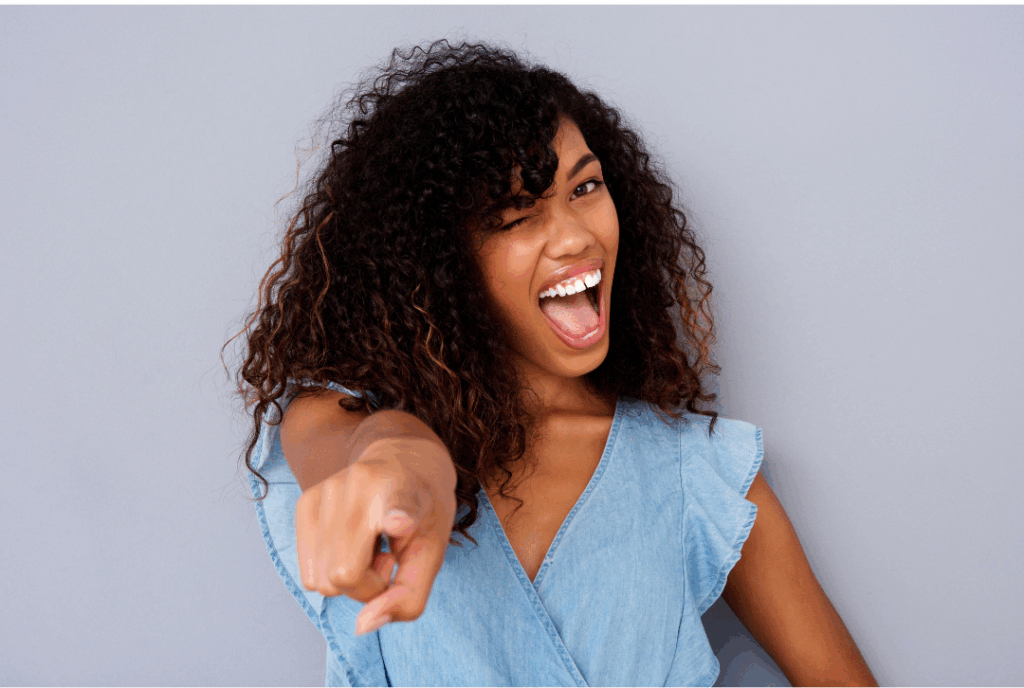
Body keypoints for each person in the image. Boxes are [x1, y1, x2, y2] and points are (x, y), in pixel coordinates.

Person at [229, 40, 878, 687]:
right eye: (515, 215)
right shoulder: (340, 422)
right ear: (437, 260)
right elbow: (369, 451)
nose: (576, 236)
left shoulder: (700, 475)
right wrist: (397, 460)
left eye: (585, 186)